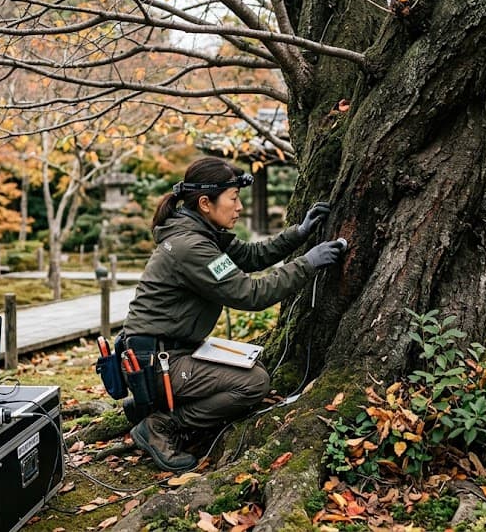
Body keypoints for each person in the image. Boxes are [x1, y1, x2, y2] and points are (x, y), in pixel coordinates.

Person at [122, 157, 345, 472]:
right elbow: (251, 294)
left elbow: (252, 256)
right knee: (253, 383)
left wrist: (299, 233)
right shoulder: (193, 247)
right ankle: (162, 425)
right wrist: (308, 263)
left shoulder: (204, 233)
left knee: (254, 362)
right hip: (160, 362)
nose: (239, 207)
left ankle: (157, 403)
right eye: (234, 198)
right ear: (205, 203)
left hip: (165, 354)